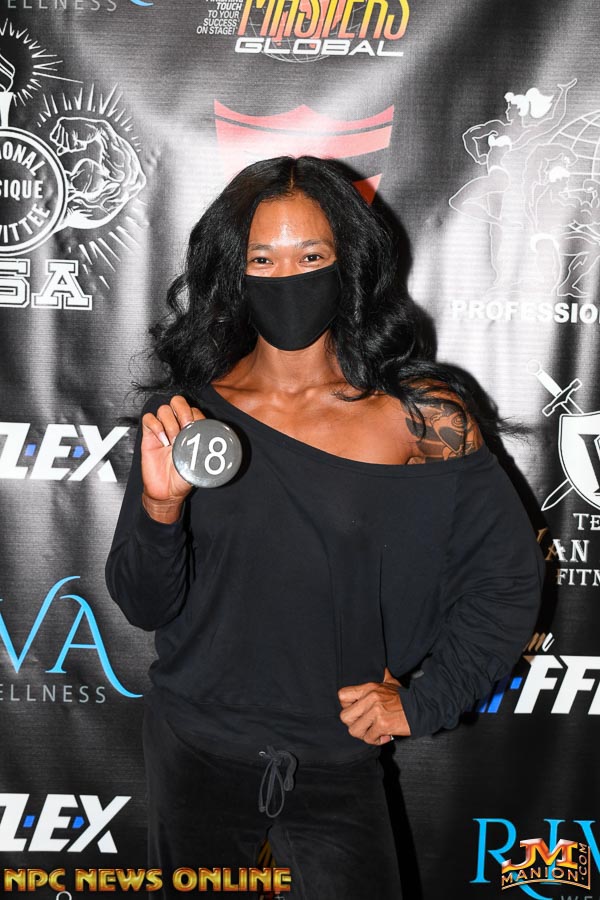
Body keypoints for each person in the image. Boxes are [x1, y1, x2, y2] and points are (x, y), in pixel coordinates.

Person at [105, 155, 544, 899]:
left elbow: (504, 581)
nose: (288, 277)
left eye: (311, 256)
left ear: (350, 262)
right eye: (263, 259)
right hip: (195, 747)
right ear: (233, 272)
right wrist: (161, 506)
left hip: (338, 760)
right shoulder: (187, 417)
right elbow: (145, 603)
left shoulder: (422, 420)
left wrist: (424, 701)